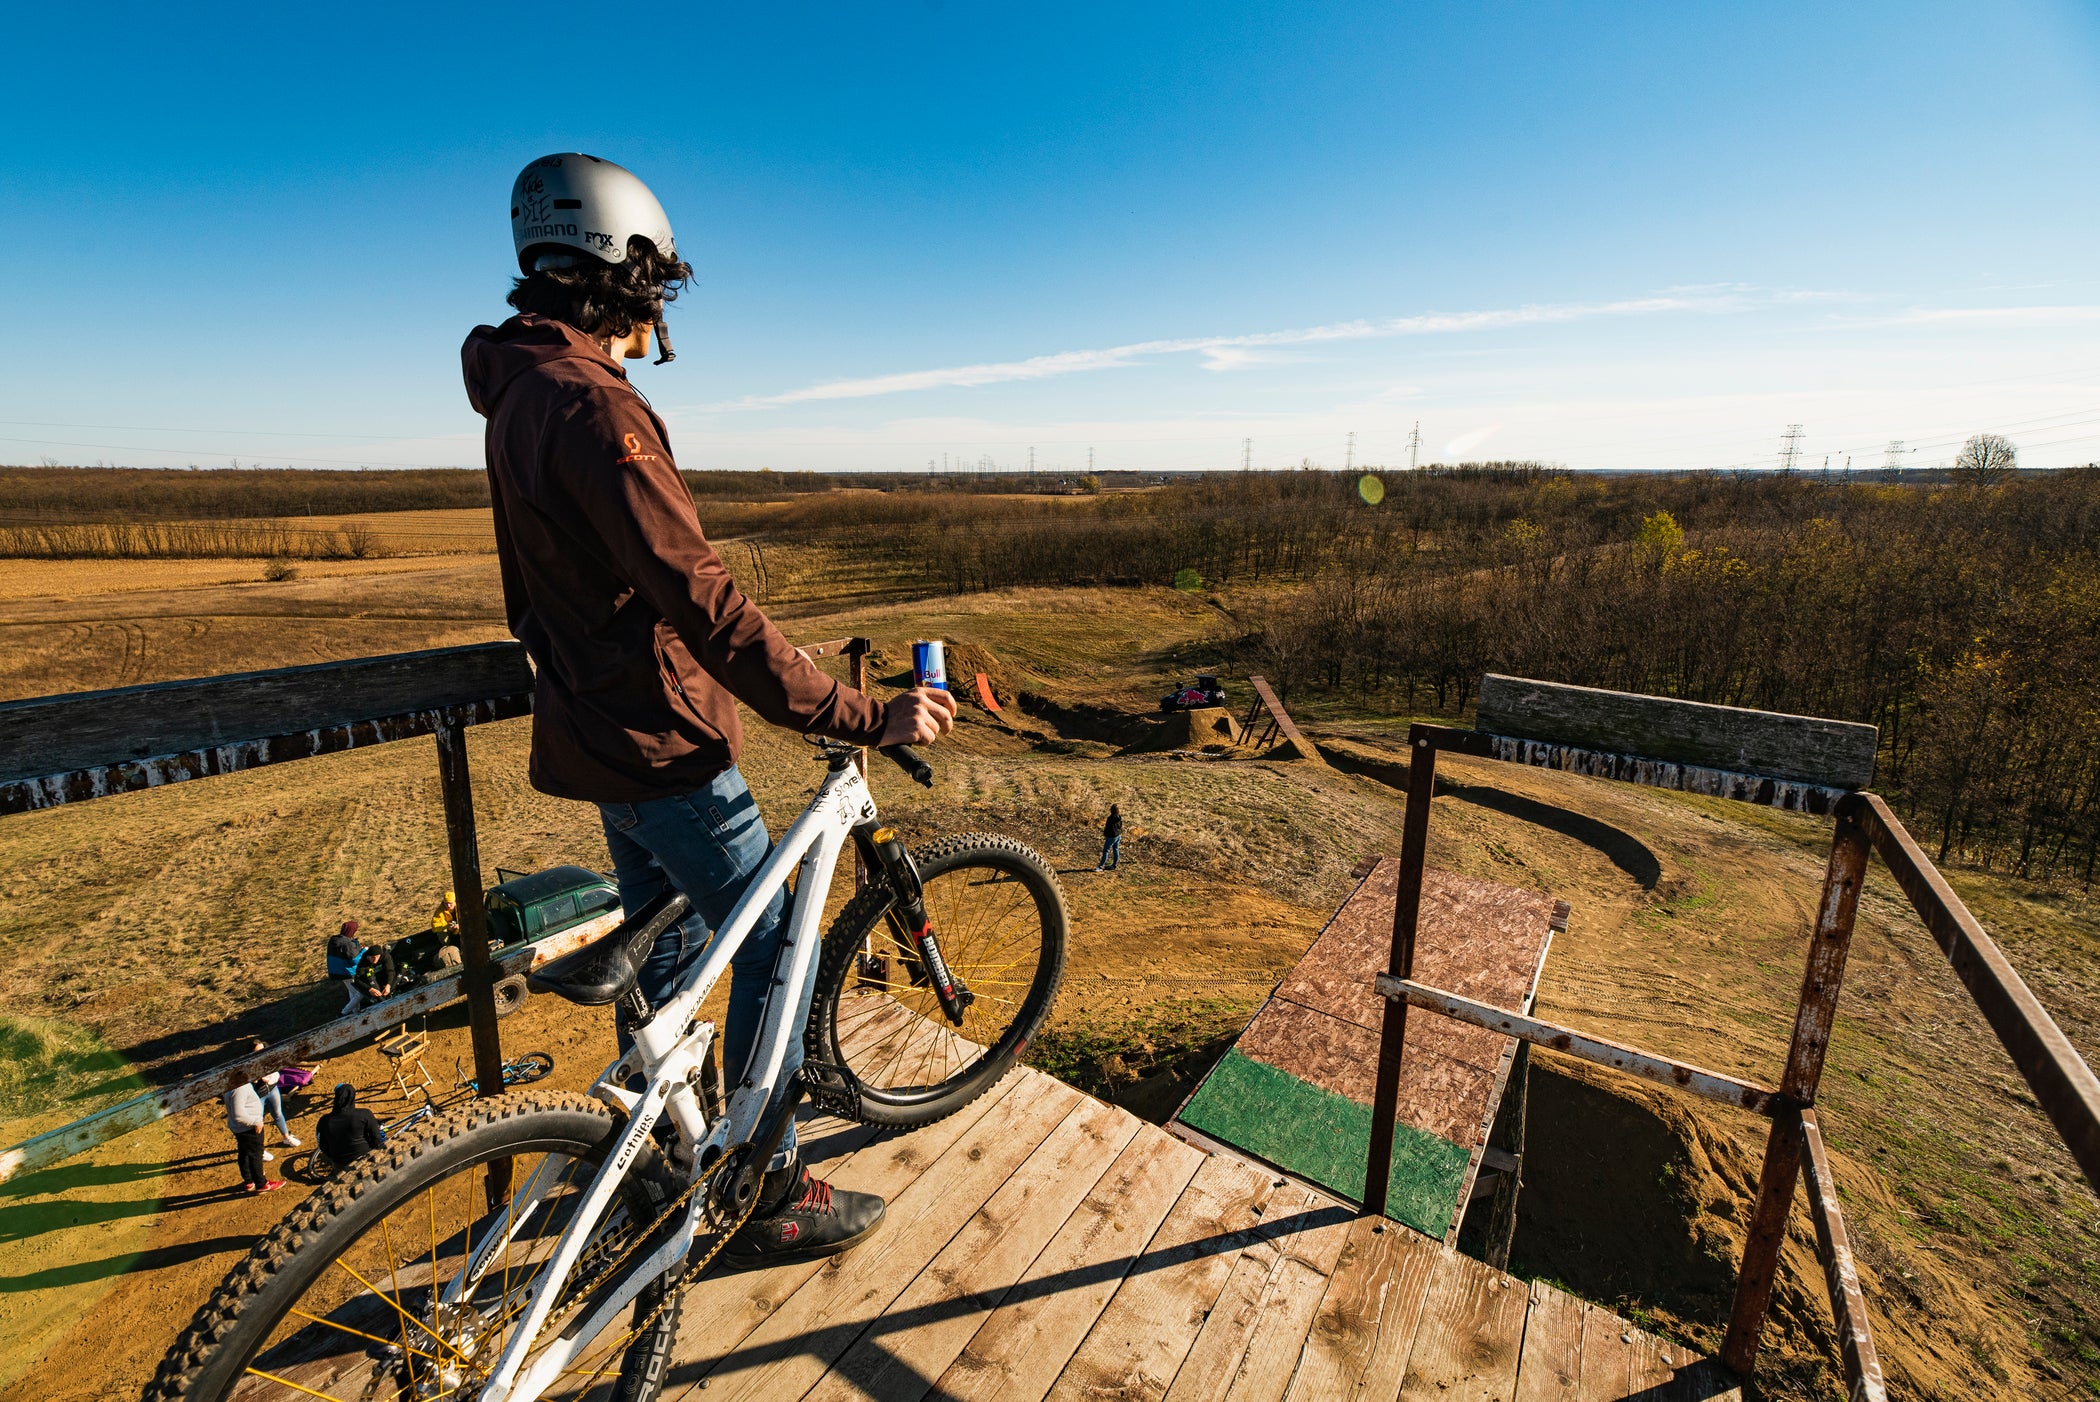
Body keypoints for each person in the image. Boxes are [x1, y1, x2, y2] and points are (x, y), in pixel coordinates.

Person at [463, 153, 956, 1266]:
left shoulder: (521, 396)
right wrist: (854, 711)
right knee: (778, 943)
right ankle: (762, 1183)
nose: (658, 315)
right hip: (666, 746)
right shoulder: (598, 412)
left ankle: (662, 1149)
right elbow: (710, 604)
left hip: (596, 741)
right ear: (621, 276)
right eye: (654, 288)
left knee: (678, 954)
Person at [222, 1046, 283, 1193]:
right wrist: (257, 1122)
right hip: (248, 1127)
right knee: (256, 1154)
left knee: (244, 1153)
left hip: (239, 1127)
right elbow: (238, 1114)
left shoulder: (229, 1085)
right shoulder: (240, 1088)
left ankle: (249, 1181)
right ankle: (261, 1184)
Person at [245, 1036, 301, 1151]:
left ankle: (286, 1137)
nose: (261, 1052)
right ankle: (260, 1149)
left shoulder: (270, 1059)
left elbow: (275, 1074)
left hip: (272, 1089)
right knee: (258, 1122)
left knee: (278, 1114)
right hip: (258, 1095)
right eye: (257, 1051)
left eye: (262, 1049)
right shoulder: (249, 1066)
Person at [315, 1082, 387, 1171]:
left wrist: (334, 1158)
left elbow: (321, 1144)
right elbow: (377, 1139)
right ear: (352, 1097)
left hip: (340, 1164)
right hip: (364, 1160)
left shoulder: (324, 1120)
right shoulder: (364, 1114)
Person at [327, 920, 364, 1015]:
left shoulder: (333, 940)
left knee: (352, 993)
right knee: (360, 993)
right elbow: (355, 960)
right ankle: (344, 1012)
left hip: (336, 972)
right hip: (347, 972)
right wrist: (363, 951)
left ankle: (356, 1013)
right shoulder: (348, 943)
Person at [1097, 804, 1124, 871]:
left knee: (1106, 851)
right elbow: (1120, 826)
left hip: (1111, 837)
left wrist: (1105, 834)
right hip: (1118, 835)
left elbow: (1107, 827)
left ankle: (1100, 866)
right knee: (1116, 849)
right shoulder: (1119, 817)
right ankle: (1114, 865)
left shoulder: (1110, 818)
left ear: (1111, 810)